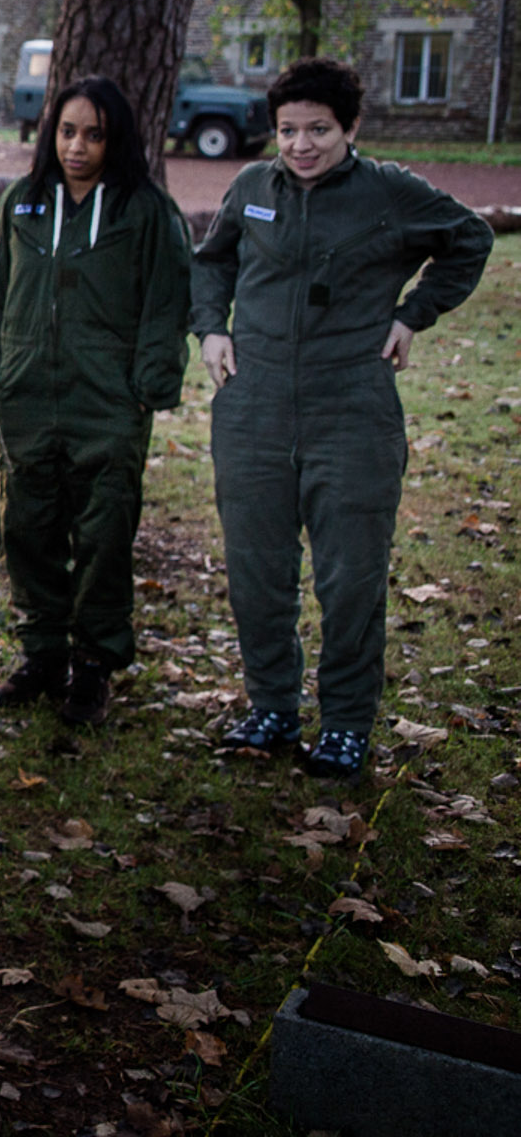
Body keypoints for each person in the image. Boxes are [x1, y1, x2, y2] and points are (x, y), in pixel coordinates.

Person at [192, 57, 491, 779]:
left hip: (350, 409)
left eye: (318, 130)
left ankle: (346, 723)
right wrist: (211, 328)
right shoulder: (250, 186)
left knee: (349, 579)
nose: (299, 145)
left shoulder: (388, 192)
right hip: (253, 408)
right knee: (257, 572)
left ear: (350, 127)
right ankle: (270, 707)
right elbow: (212, 261)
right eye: (288, 130)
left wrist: (412, 315)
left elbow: (469, 240)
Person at [0, 78, 192, 726]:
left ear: (114, 139)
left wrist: (147, 385)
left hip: (108, 402)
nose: (76, 146)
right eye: (66, 131)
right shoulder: (24, 201)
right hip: (27, 396)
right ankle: (41, 656)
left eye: (93, 134)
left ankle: (93, 666)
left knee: (102, 533)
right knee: (28, 530)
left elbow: (166, 302)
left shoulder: (143, 211)